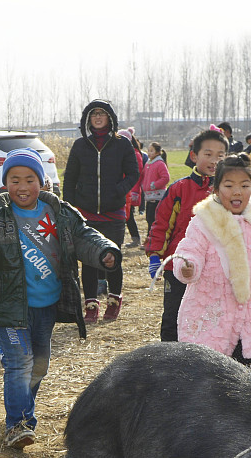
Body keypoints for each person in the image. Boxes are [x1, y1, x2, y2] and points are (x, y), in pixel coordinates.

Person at [0, 149, 121, 449]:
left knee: (39, 366)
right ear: (5, 183)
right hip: (9, 305)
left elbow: (84, 236)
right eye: (14, 179)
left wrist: (105, 252)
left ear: (41, 182)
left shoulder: (60, 213)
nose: (22, 186)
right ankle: (18, 424)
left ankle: (23, 413)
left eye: (29, 179)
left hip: (47, 304)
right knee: (19, 363)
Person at [170, 154, 251, 369]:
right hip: (213, 310)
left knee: (248, 371)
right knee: (209, 371)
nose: (237, 191)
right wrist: (188, 267)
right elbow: (190, 250)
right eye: (229, 185)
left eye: (244, 185)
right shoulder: (204, 222)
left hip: (250, 311)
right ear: (216, 189)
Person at [62, 99, 139, 324]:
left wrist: (119, 191)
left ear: (110, 118)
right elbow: (70, 178)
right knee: (89, 261)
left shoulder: (122, 144)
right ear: (88, 119)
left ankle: (114, 302)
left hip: (114, 213)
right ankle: (91, 307)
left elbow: (133, 174)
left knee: (112, 259)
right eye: (93, 114)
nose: (97, 117)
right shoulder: (80, 145)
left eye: (102, 114)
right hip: (86, 214)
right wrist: (70, 206)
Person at [146, 128, 227, 341]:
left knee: (210, 318)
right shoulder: (179, 189)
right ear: (194, 156)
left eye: (220, 155)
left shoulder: (230, 191)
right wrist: (155, 256)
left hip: (215, 269)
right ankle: (169, 363)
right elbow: (162, 224)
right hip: (179, 265)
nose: (214, 161)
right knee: (174, 316)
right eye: (208, 154)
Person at [140, 142, 170, 240]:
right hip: (149, 197)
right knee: (149, 219)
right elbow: (143, 176)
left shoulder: (160, 164)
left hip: (157, 197)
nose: (149, 152)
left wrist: (153, 185)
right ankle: (151, 238)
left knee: (153, 219)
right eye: (148, 150)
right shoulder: (148, 163)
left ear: (157, 152)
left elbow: (165, 178)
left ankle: (152, 239)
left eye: (151, 150)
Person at [121, 129, 146, 247]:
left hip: (130, 190)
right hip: (125, 189)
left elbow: (137, 174)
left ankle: (136, 238)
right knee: (128, 215)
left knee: (129, 215)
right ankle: (134, 238)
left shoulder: (135, 154)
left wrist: (134, 191)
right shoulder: (127, 153)